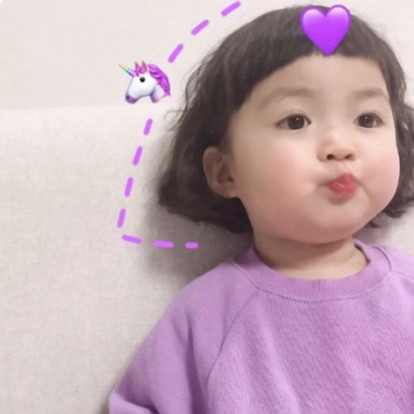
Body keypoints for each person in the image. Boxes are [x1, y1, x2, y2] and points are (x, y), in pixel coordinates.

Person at [108, 4, 414, 413]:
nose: (341, 146)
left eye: (368, 119)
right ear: (224, 171)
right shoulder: (208, 315)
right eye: (295, 121)